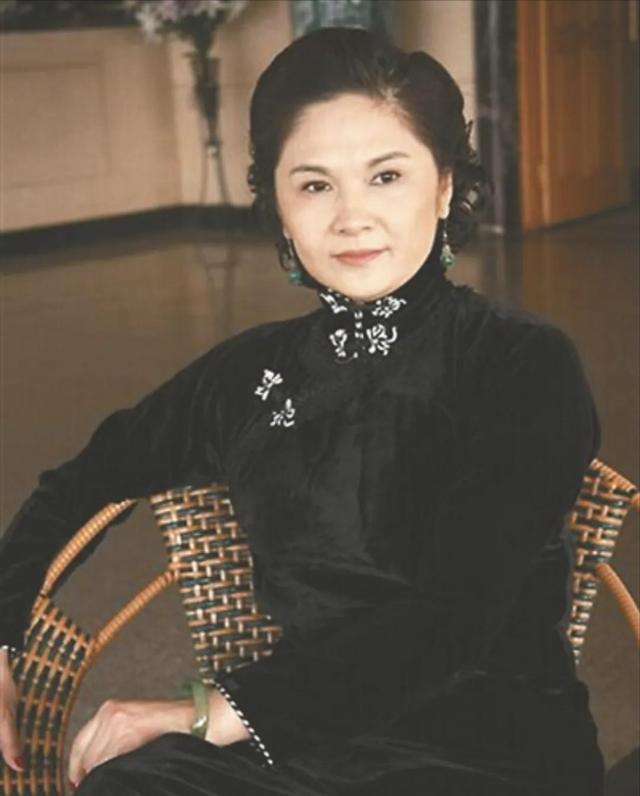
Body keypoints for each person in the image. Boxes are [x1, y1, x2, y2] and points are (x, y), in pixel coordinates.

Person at [0, 25, 604, 796]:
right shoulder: (249, 375)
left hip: (490, 750)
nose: (352, 217)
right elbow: (81, 484)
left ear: (444, 186)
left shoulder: (521, 362)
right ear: (279, 207)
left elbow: (450, 619)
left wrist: (206, 711)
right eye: (315, 185)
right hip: (299, 751)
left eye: (386, 176)